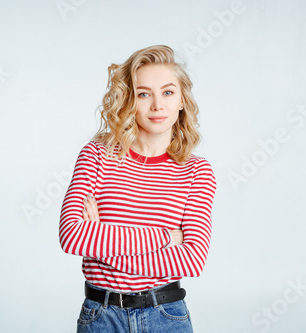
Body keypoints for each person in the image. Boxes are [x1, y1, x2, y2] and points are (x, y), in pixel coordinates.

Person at [59, 45, 217, 332]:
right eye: (144, 94)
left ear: (182, 100)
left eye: (168, 92)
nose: (157, 105)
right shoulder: (96, 155)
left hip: (166, 316)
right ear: (130, 101)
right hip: (102, 317)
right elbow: (71, 236)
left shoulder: (196, 171)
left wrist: (101, 245)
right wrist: (167, 237)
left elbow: (193, 259)